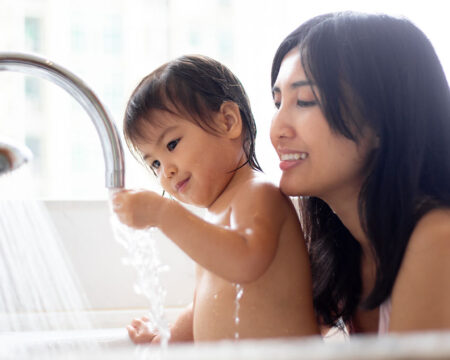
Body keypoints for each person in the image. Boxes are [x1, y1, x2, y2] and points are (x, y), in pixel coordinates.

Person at [113, 54, 319, 343]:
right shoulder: (215, 216)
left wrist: (163, 214)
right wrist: (167, 339)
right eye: (155, 164)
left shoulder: (259, 193)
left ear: (228, 122)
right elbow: (205, 304)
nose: (166, 172)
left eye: (172, 144)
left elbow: (246, 260)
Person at [270, 11, 450, 335]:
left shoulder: (438, 239)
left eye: (305, 100)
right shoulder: (343, 253)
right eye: (278, 102)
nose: (277, 130)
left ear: (383, 120)